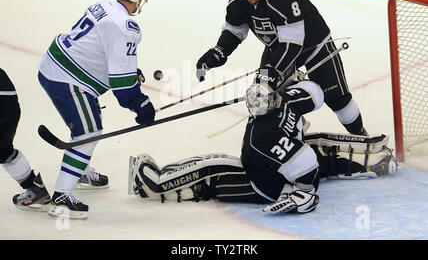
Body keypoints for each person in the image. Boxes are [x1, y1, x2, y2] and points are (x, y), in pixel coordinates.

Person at [128, 78, 397, 214]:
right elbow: (315, 92)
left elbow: (304, 165)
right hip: (286, 159)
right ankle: (374, 158)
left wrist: (304, 193)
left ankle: (155, 184)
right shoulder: (287, 99)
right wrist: (297, 81)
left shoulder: (261, 135)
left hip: (266, 185)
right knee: (321, 149)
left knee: (210, 169)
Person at [196, 0, 368, 137]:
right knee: (262, 100)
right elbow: (234, 31)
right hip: (277, 49)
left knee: (338, 99)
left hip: (314, 46)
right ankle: (293, 129)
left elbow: (293, 43)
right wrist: (219, 51)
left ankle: (361, 135)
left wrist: (272, 71)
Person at [38, 0, 156, 219]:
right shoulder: (127, 27)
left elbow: (96, 48)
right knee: (88, 132)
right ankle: (61, 196)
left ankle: (78, 169)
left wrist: (128, 71)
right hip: (67, 80)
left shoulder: (102, 7)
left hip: (52, 64)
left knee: (85, 126)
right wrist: (141, 104)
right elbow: (123, 89)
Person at [0, 68, 51, 211]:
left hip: (3, 102)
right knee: (3, 151)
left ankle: (35, 190)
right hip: (6, 100)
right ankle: (35, 190)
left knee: (3, 151)